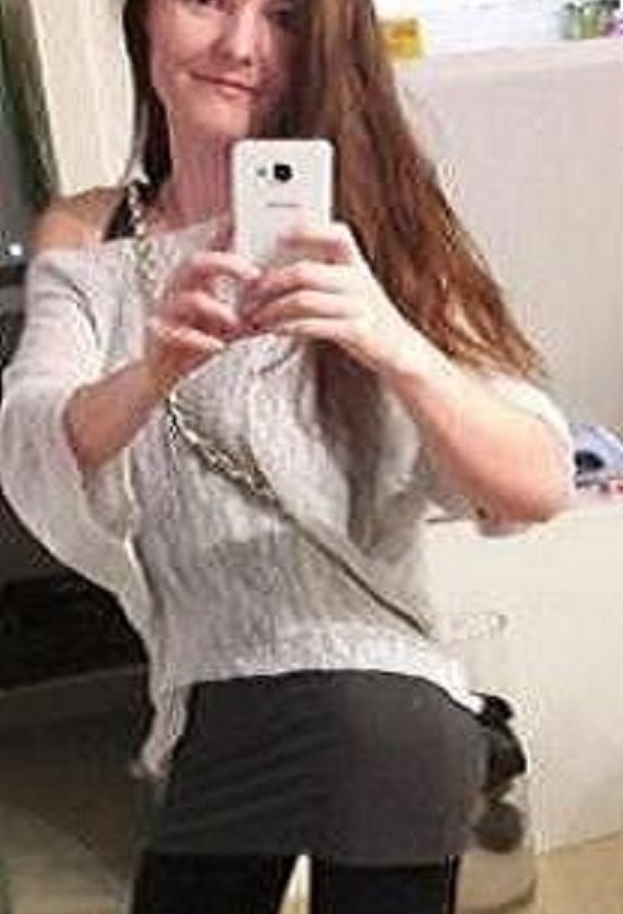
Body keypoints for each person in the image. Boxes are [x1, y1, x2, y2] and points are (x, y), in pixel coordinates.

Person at [0, 0, 573, 912]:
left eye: (284, 17)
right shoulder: (85, 237)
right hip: (211, 706)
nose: (239, 46)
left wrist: (391, 341)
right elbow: (30, 437)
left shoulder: (377, 232)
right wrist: (152, 371)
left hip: (381, 706)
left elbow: (536, 480)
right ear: (145, 17)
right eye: (208, 0)